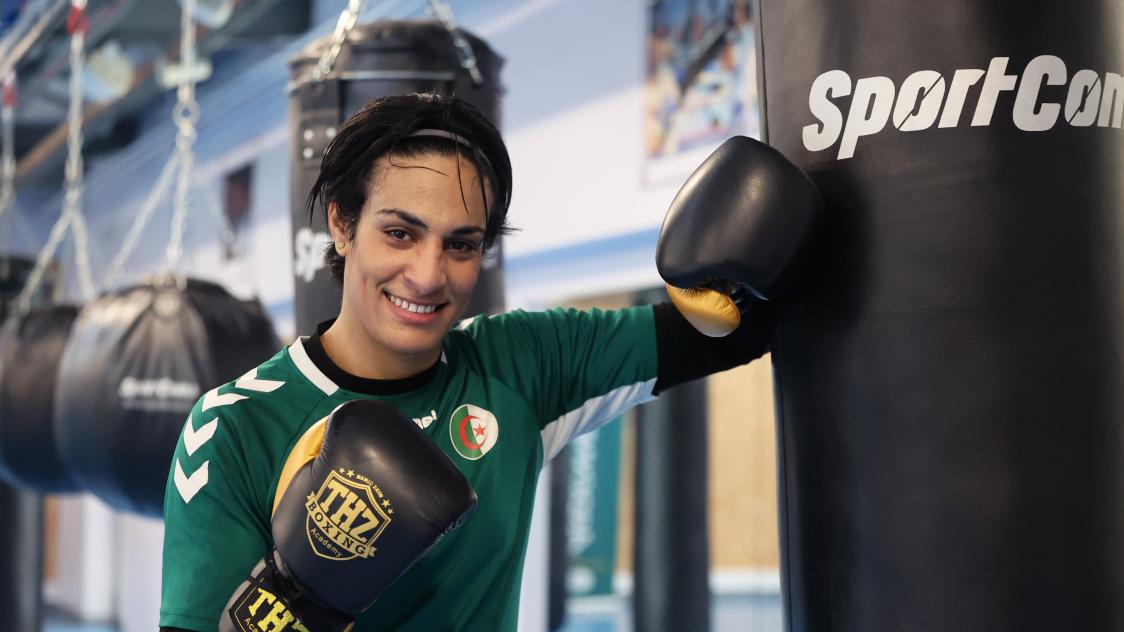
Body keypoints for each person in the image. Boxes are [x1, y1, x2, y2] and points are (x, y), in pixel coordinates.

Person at [158, 92, 784, 631]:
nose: (429, 275)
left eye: (461, 245)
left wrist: (744, 258)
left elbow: (737, 332)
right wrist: (301, 598)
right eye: (400, 233)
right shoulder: (235, 426)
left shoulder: (521, 363)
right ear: (343, 225)